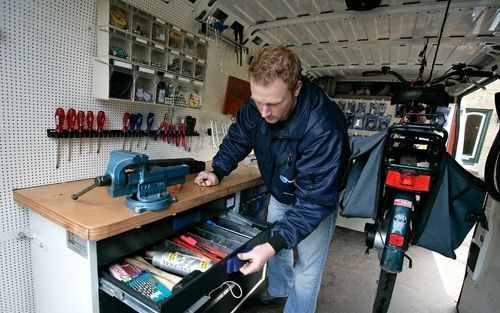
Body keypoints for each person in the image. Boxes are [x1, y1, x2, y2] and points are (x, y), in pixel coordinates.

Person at [194, 45, 349, 313]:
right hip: (281, 189)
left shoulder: (324, 127)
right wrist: (217, 169)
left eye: (274, 104)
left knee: (307, 267)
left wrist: (272, 244)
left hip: (316, 200)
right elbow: (239, 136)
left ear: (297, 89)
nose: (264, 112)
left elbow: (314, 201)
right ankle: (278, 291)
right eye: (258, 101)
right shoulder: (258, 106)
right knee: (276, 246)